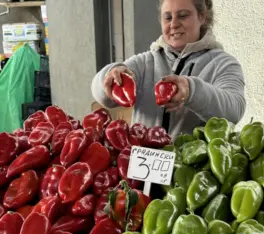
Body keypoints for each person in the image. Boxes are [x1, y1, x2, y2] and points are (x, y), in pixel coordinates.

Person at [91, 0, 246, 138]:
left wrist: (191, 91)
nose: (174, 24)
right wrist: (111, 75)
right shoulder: (145, 61)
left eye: (183, 15)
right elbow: (102, 97)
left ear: (202, 16)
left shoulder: (223, 63)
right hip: (145, 166)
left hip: (193, 168)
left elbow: (234, 110)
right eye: (168, 17)